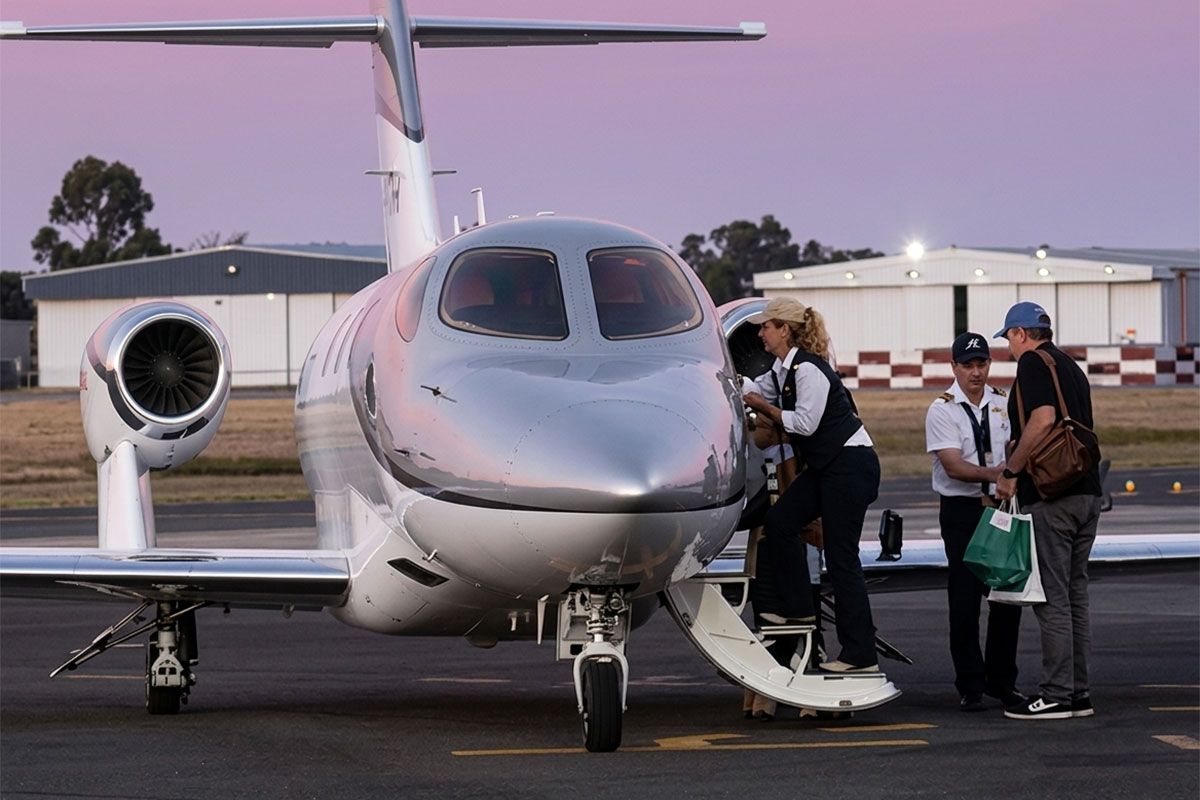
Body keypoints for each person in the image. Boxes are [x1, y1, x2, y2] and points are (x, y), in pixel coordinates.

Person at [743, 296, 881, 675]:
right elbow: (757, 390)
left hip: (850, 466)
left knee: (841, 559)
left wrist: (759, 405)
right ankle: (798, 608)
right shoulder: (782, 369)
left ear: (784, 330)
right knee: (780, 522)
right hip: (828, 466)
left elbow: (804, 424)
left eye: (766, 327)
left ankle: (860, 655)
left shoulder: (808, 370)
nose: (760, 334)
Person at [993, 302, 1102, 720]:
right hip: (1087, 491)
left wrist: (1011, 471)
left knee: (1052, 598)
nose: (1009, 347)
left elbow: (1042, 420)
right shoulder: (1071, 366)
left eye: (1009, 338)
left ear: (1021, 334)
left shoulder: (1033, 364)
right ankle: (1078, 692)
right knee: (1075, 596)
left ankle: (1056, 694)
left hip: (1053, 496)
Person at [925, 332, 1025, 712]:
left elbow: (1016, 446)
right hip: (962, 511)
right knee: (965, 601)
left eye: (981, 364)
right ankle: (970, 683)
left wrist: (1012, 466)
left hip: (1000, 508)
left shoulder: (1002, 403)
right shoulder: (942, 410)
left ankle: (1003, 681)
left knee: (1006, 599)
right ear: (954, 367)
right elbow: (952, 465)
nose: (976, 372)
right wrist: (997, 473)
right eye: (968, 365)